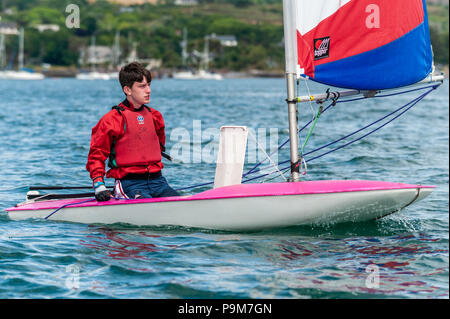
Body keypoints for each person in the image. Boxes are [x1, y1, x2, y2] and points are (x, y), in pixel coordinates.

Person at [86, 62, 179, 201]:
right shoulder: (111, 120)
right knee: (146, 204)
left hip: (158, 181)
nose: (148, 90)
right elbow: (96, 156)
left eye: (149, 85)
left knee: (179, 201)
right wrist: (99, 185)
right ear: (127, 90)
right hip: (129, 184)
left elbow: (159, 145)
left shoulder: (155, 116)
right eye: (142, 86)